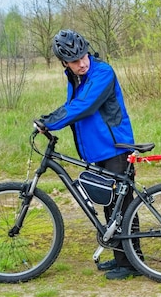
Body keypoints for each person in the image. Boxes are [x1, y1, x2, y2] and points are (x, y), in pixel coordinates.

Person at [37, 29, 142, 280]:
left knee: (123, 206)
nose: (81, 63)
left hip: (115, 147)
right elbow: (73, 107)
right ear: (64, 63)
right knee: (109, 204)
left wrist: (49, 121)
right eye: (74, 61)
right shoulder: (75, 78)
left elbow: (84, 106)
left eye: (83, 57)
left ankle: (132, 263)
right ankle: (121, 256)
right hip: (97, 150)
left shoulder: (103, 72)